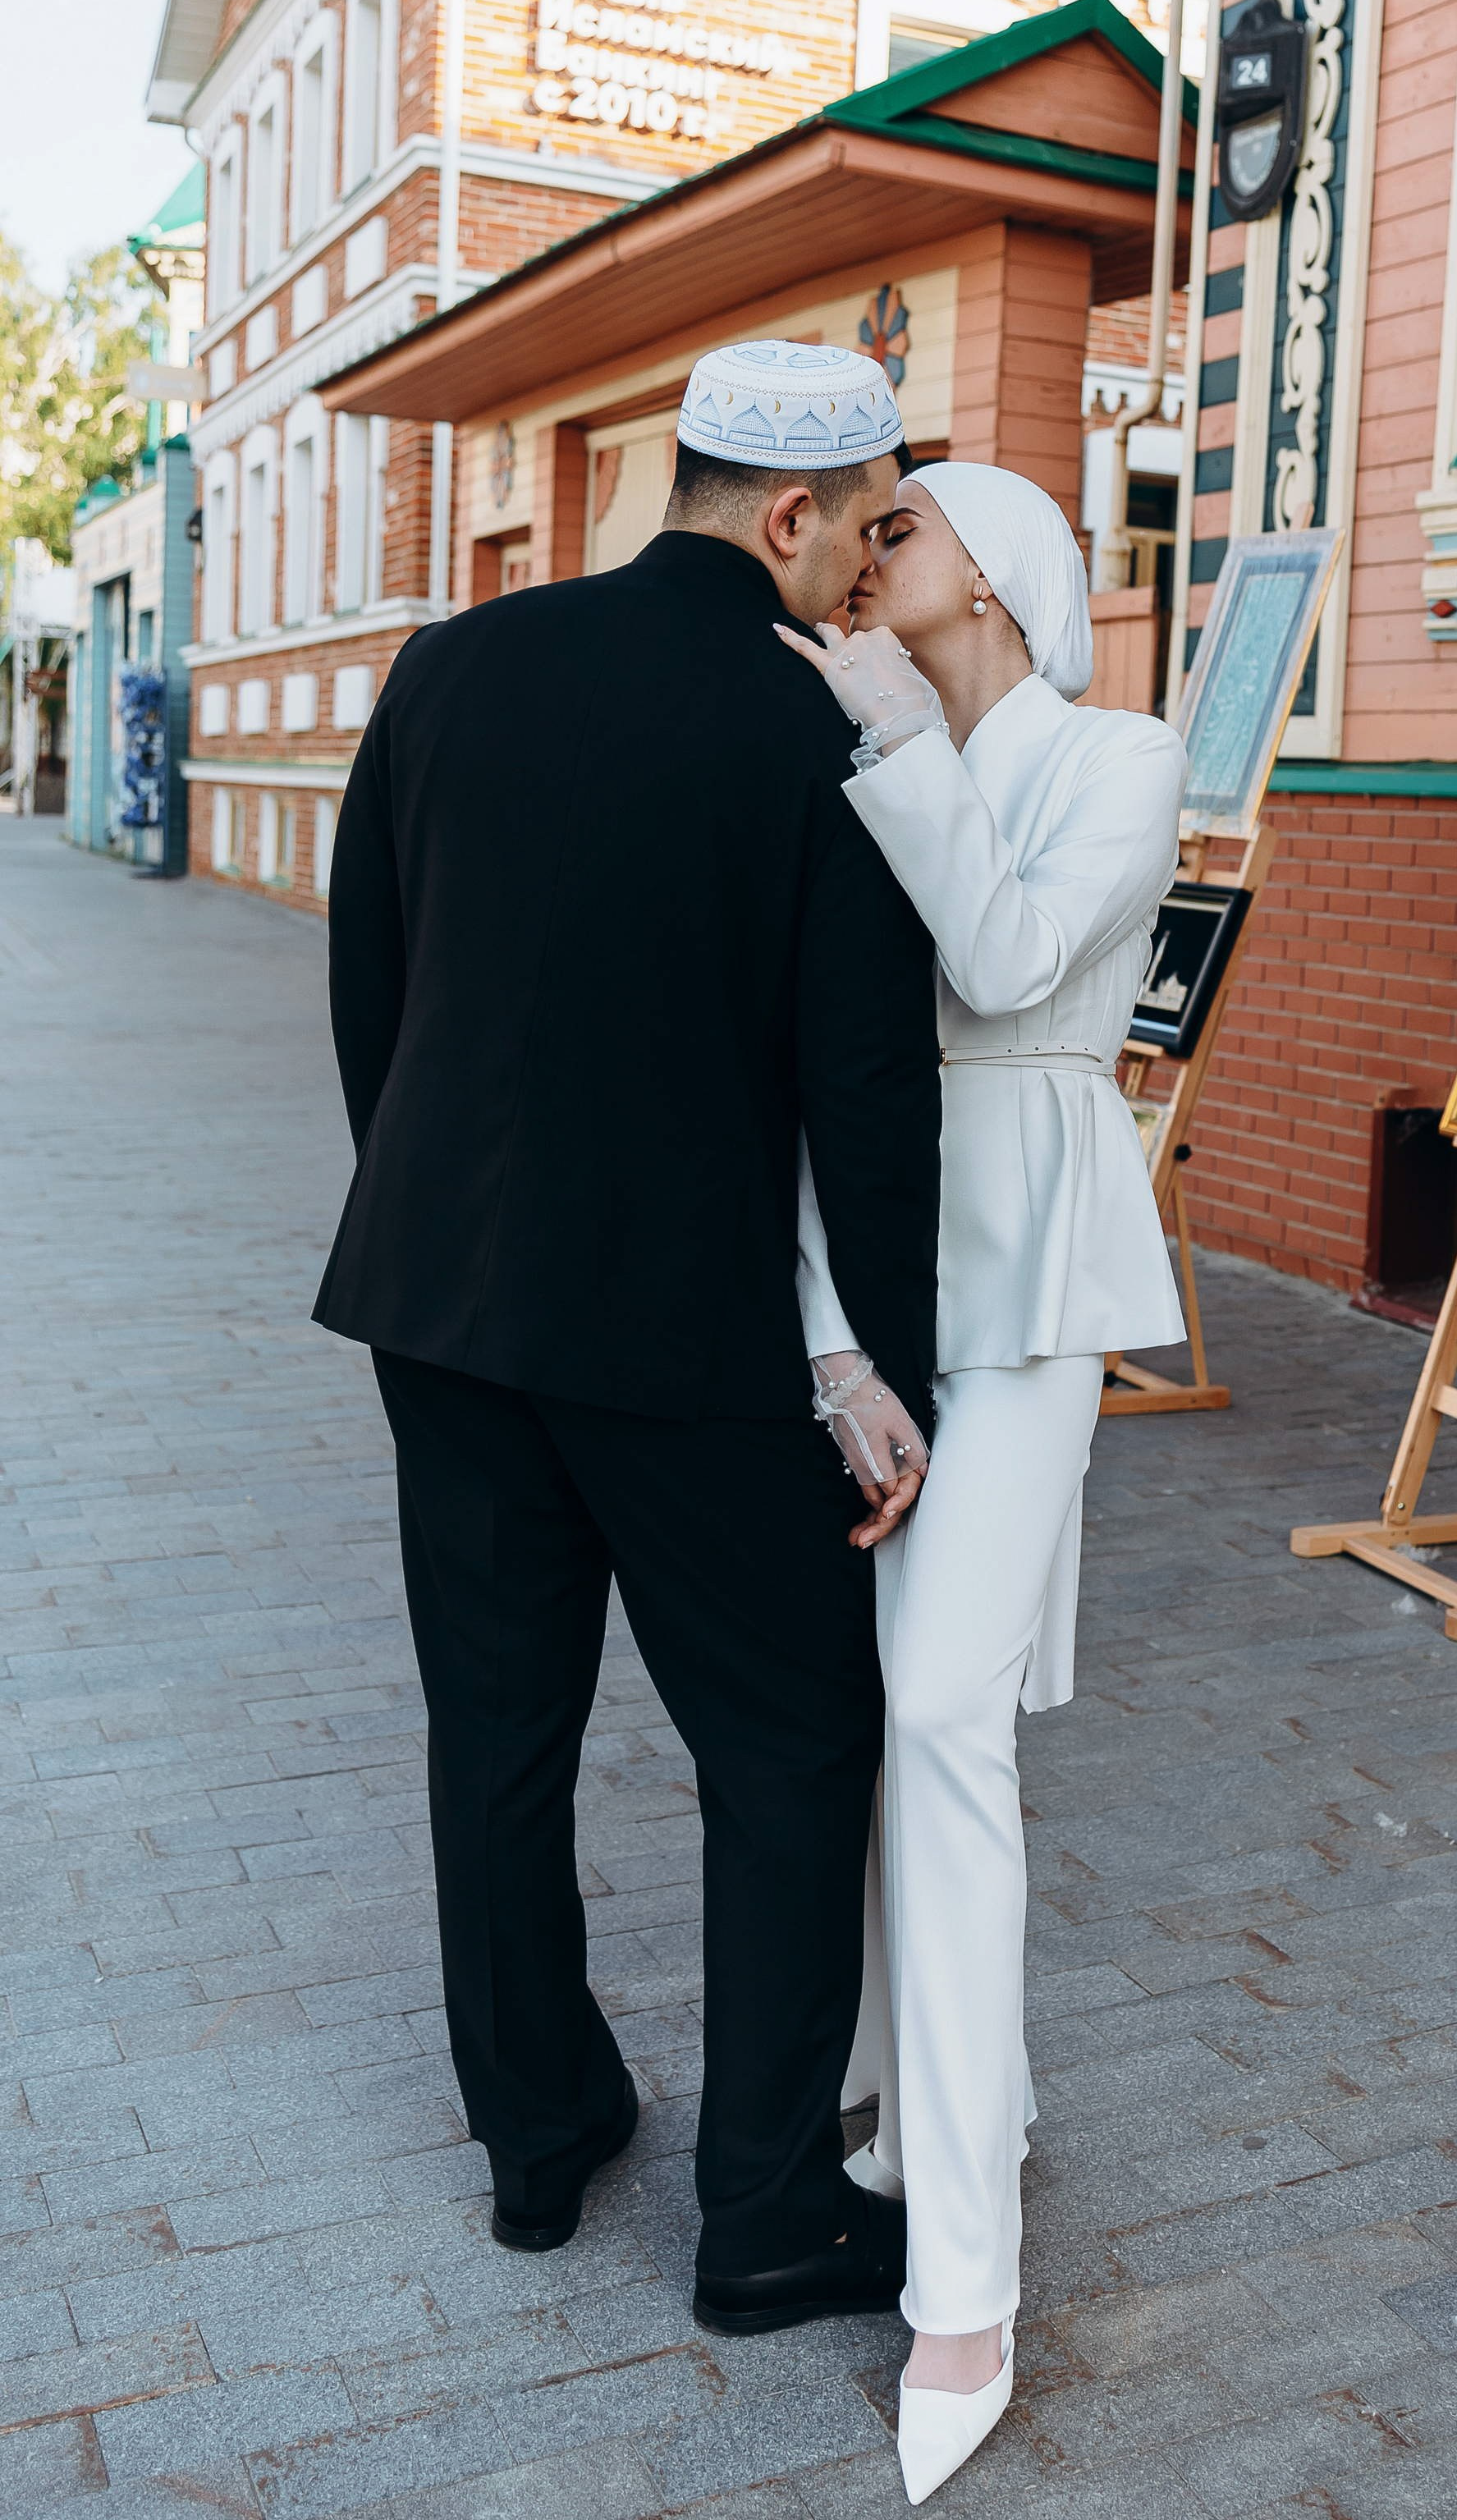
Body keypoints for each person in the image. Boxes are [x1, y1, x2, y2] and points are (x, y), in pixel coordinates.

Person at [314, 341, 943, 2334]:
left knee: (500, 1732)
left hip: (443, 1300)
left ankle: (539, 2137)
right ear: (784, 513)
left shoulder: (450, 665)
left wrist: (448, 1229)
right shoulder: (811, 729)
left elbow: (375, 989)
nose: (869, 567)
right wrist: (891, 1366)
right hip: (679, 1340)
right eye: (863, 527)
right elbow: (866, 1088)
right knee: (788, 1738)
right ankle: (762, 2216)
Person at [778, 460, 1188, 2500]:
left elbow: (1018, 965)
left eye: (911, 523)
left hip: (1031, 1273)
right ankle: (933, 2089)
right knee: (883, 1713)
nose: (875, 545)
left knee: (946, 1713)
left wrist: (901, 748)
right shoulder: (867, 747)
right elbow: (798, 1048)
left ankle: (970, 2272)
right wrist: (826, 1335)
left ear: (1006, 570)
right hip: (874, 1276)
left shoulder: (1120, 752)